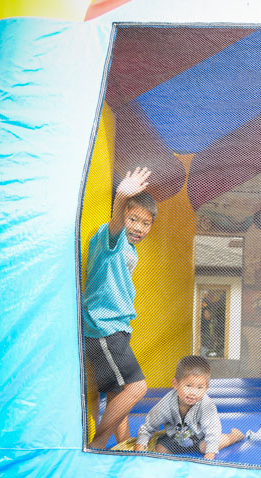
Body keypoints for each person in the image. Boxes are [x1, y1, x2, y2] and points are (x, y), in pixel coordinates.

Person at [83, 167, 155, 449]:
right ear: (121, 215)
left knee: (117, 392)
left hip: (117, 327)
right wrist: (122, 197)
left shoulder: (131, 249)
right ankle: (97, 444)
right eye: (132, 219)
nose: (138, 227)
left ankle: (122, 442)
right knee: (138, 388)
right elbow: (114, 227)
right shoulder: (108, 237)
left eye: (145, 223)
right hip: (104, 328)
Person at [135, 356, 244, 459]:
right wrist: (139, 449)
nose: (193, 392)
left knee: (206, 447)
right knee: (159, 450)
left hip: (200, 439)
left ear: (206, 388)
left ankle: (233, 437)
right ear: (175, 384)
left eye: (200, 387)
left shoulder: (206, 405)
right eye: (188, 386)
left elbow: (213, 430)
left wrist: (209, 456)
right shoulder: (166, 404)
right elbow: (149, 426)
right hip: (175, 439)